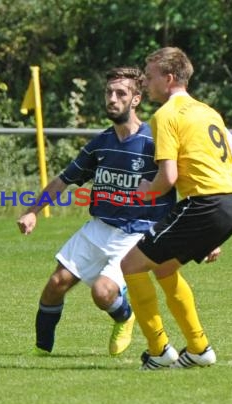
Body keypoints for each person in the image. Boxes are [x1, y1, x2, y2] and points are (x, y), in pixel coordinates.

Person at [17, 67, 178, 356]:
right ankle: (41, 352)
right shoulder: (101, 143)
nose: (112, 99)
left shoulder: (154, 142)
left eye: (121, 93)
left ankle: (125, 315)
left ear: (136, 99)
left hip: (136, 234)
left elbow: (183, 183)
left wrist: (206, 236)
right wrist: (33, 212)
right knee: (55, 284)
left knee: (102, 292)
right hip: (99, 227)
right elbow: (64, 180)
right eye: (109, 93)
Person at [119, 47, 232, 369]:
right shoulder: (209, 112)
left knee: (131, 265)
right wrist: (214, 225)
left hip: (205, 203)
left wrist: (143, 194)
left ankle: (159, 352)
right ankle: (198, 348)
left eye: (149, 77)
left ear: (169, 78)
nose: (146, 84)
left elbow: (168, 178)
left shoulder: (165, 116)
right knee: (163, 268)